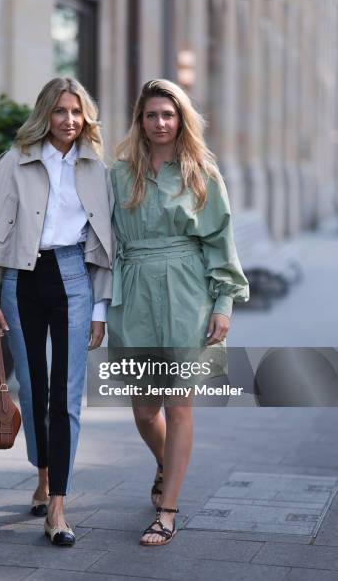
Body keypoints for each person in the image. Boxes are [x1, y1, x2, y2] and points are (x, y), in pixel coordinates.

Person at [0, 77, 114, 547]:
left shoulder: (96, 169)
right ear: (45, 114)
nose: (70, 120)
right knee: (33, 389)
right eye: (61, 111)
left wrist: (100, 308)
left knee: (66, 397)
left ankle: (60, 507)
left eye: (77, 112)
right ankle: (43, 475)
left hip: (72, 279)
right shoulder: (13, 162)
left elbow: (109, 245)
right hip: (19, 281)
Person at [107, 79, 249, 546]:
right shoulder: (120, 173)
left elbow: (220, 242)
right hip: (135, 290)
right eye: (152, 115)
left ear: (181, 119)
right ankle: (167, 462)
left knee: (179, 404)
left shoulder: (200, 173)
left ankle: (167, 510)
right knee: (145, 409)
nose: (160, 122)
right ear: (141, 121)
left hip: (188, 292)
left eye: (168, 114)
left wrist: (223, 303)